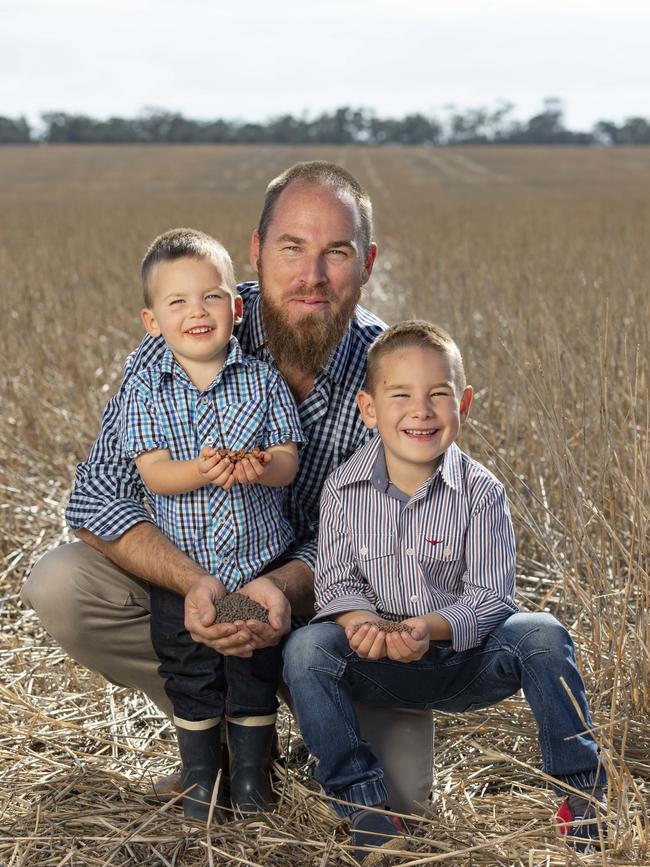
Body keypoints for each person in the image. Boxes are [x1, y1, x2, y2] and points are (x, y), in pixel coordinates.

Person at [21, 161, 434, 815]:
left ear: (369, 262)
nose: (311, 276)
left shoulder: (399, 371)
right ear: (256, 251)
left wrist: (283, 585)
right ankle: (217, 743)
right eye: (291, 248)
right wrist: (195, 585)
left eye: (337, 253)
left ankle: (299, 719)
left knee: (402, 800)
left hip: (330, 611)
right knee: (62, 586)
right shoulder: (191, 327)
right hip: (201, 587)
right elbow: (98, 496)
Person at [283, 320, 607, 864]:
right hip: (377, 664)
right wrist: (362, 626)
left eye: (439, 394)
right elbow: (336, 583)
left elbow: (489, 597)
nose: (421, 410)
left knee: (543, 635)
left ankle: (581, 803)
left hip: (463, 662)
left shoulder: (480, 492)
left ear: (465, 403)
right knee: (305, 650)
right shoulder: (342, 489)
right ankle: (364, 809)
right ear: (368, 408)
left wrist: (426, 628)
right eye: (401, 395)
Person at [119, 228, 303, 819]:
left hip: (254, 565)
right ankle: (203, 782)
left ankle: (252, 783)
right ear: (153, 321)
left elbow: (289, 463)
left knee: (251, 667)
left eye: (212, 298)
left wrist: (259, 464)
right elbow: (153, 476)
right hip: (187, 571)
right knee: (190, 672)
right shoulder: (147, 387)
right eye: (178, 303)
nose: (197, 312)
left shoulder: (261, 379)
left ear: (236, 307)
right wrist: (201, 469)